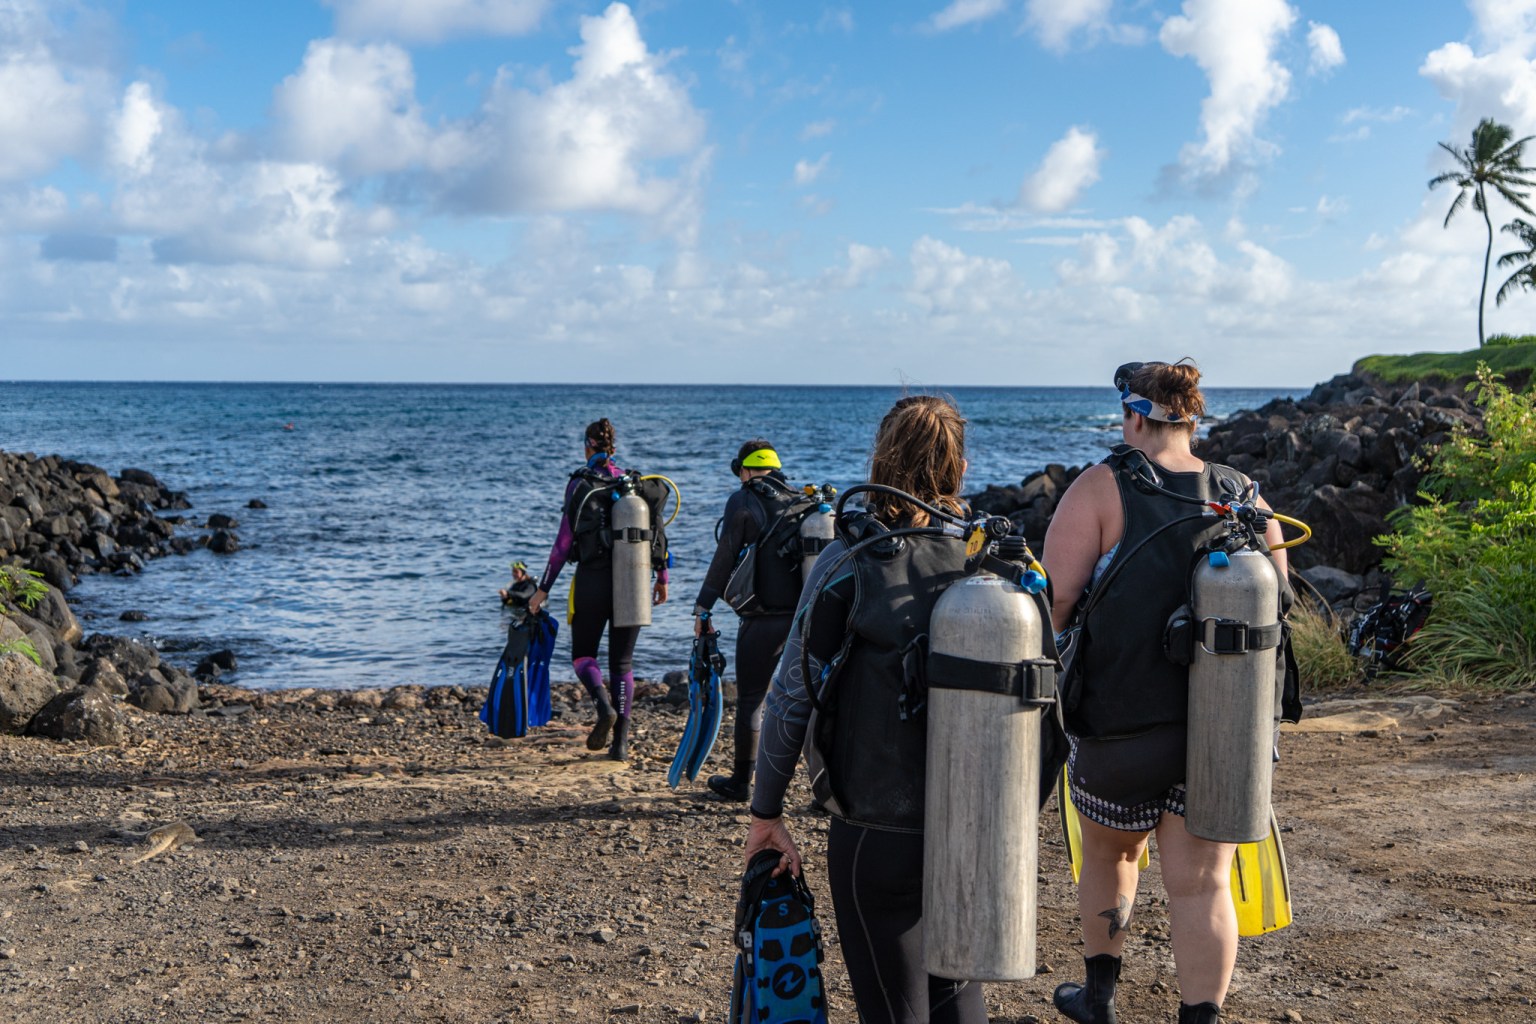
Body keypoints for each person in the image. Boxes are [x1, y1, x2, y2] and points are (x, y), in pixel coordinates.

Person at [1040, 360, 1289, 1024]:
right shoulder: (1244, 493)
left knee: (1111, 854)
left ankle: (1099, 999)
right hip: (1225, 728)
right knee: (1203, 882)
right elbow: (1278, 602)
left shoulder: (1101, 486)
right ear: (1193, 417)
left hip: (1124, 728)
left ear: (1134, 417)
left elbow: (1055, 599)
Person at [744, 395, 987, 1024]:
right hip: (977, 829)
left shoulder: (848, 560)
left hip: (877, 830)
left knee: (894, 1008)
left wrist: (765, 813)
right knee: (958, 1000)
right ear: (956, 468)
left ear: (881, 459)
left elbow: (791, 696)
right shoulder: (989, 562)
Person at [528, 419, 668, 760]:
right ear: (613, 448)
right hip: (634, 578)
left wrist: (543, 588)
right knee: (623, 663)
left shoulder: (580, 483)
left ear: (588, 446)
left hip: (592, 580)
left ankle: (603, 706)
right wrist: (662, 577)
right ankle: (620, 745)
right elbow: (659, 534)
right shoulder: (635, 486)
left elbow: (563, 542)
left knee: (583, 656)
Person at [692, 440, 800, 801]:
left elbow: (723, 560)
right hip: (806, 619)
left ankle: (741, 782)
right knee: (808, 702)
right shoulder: (801, 500)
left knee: (752, 700)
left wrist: (703, 609)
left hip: (763, 621)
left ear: (745, 469)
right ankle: (823, 788)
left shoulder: (744, 500)